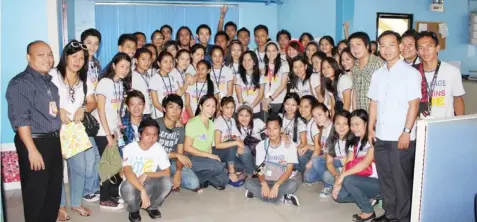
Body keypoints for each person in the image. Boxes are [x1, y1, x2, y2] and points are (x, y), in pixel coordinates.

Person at [367, 31, 422, 222]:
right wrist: (370, 128)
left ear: (400, 47)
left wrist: (406, 132)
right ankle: (390, 215)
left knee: (401, 182)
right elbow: (373, 103)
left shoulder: (411, 73)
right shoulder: (377, 74)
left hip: (401, 137)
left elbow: (414, 104)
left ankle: (404, 218)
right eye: (383, 45)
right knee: (386, 180)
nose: (387, 49)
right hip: (381, 136)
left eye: (391, 45)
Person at [6, 41, 62, 222]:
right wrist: (31, 150)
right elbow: (21, 119)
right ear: (28, 58)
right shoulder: (21, 82)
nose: (47, 58)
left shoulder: (50, 84)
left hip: (52, 142)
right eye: (41, 55)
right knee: (36, 194)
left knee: (52, 193)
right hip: (35, 142)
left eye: (50, 54)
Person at [50, 40, 96, 220]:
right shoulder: (53, 75)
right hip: (53, 128)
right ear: (66, 56)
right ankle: (60, 206)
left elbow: (92, 101)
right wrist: (57, 110)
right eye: (74, 56)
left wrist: (83, 108)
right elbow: (42, 97)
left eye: (82, 58)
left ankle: (76, 202)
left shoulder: (85, 79)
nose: (78, 61)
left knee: (80, 168)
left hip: (75, 131)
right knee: (57, 170)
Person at [94, 52, 132, 210]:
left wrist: (119, 127)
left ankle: (112, 194)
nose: (124, 70)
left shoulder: (119, 84)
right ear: (114, 65)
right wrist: (108, 134)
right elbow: (101, 110)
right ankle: (104, 199)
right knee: (107, 166)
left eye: (128, 67)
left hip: (113, 130)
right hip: (103, 131)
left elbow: (115, 110)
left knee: (115, 164)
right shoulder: (105, 82)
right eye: (122, 66)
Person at [120, 119, 172, 222]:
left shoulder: (158, 148)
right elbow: (128, 173)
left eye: (155, 135)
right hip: (133, 184)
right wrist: (142, 190)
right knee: (127, 186)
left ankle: (152, 206)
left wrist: (147, 174)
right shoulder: (129, 148)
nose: (151, 138)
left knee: (167, 182)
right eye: (147, 134)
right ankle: (134, 209)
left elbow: (167, 172)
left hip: (149, 184)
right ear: (140, 134)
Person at [332, 109, 380, 222]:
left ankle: (368, 211)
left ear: (366, 123)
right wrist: (337, 184)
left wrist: (342, 177)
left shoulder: (372, 140)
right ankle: (368, 198)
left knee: (348, 180)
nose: (354, 128)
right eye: (352, 125)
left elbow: (365, 163)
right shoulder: (354, 142)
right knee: (339, 196)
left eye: (357, 124)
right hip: (360, 180)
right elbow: (348, 162)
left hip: (378, 183)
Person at [244, 114, 300, 206]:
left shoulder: (290, 145)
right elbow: (259, 168)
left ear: (281, 130)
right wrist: (263, 184)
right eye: (269, 129)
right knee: (248, 183)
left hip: (282, 180)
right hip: (266, 178)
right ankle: (282, 197)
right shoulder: (261, 145)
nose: (272, 132)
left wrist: (277, 185)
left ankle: (259, 194)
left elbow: (289, 170)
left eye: (275, 129)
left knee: (293, 184)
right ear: (266, 130)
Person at [156, 94, 201, 192]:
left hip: (171, 162)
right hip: (155, 163)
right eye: (171, 107)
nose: (174, 111)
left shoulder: (180, 129)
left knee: (194, 183)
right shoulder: (155, 125)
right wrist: (176, 155)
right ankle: (167, 181)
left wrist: (178, 171)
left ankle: (171, 180)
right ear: (164, 109)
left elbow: (180, 153)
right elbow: (152, 153)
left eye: (178, 108)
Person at [415, 31, 465, 118]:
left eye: (429, 46)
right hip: (419, 123)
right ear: (417, 52)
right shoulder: (413, 72)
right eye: (421, 48)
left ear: (437, 48)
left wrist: (460, 124)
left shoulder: (452, 71)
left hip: (445, 124)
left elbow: (458, 99)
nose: (425, 51)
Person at [184, 95, 229, 190]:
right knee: (217, 167)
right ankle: (195, 177)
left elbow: (210, 146)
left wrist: (210, 156)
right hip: (192, 157)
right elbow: (187, 148)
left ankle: (202, 179)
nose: (211, 109)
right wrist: (210, 156)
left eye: (213, 106)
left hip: (205, 158)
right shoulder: (193, 123)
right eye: (208, 105)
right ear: (200, 107)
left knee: (224, 181)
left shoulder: (212, 124)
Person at [80, 28, 102, 202]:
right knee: (90, 155)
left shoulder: (96, 63)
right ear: (82, 43)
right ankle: (88, 189)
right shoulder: (78, 63)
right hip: (82, 113)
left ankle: (92, 187)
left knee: (94, 155)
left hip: (94, 113)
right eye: (89, 43)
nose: (92, 46)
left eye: (96, 43)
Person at [214, 97, 255, 185]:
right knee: (231, 142)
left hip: (228, 153)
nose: (230, 110)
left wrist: (240, 144)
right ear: (221, 108)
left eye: (232, 107)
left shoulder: (232, 120)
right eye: (227, 107)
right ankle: (232, 171)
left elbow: (237, 136)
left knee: (242, 164)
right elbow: (217, 145)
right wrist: (236, 143)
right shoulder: (218, 122)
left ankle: (246, 173)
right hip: (217, 153)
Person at [316, 110, 351, 198]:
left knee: (342, 195)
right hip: (339, 167)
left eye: (345, 124)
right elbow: (329, 162)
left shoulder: (354, 140)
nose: (341, 127)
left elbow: (350, 164)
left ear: (350, 125)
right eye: (338, 123)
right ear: (334, 125)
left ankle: (343, 187)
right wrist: (336, 175)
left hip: (350, 171)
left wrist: (341, 177)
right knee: (325, 174)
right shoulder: (331, 140)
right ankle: (329, 186)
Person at [349, 32, 384, 111]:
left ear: (367, 46)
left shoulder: (378, 64)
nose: (355, 49)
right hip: (361, 116)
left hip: (376, 115)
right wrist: (355, 114)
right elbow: (355, 92)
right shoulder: (355, 66)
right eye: (352, 46)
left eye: (358, 45)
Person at [303, 103, 333, 195]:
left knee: (316, 161)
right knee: (308, 177)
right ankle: (325, 176)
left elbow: (332, 153)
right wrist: (308, 147)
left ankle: (328, 185)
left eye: (319, 115)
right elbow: (319, 148)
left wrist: (312, 161)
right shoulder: (320, 130)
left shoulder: (335, 128)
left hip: (334, 160)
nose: (317, 119)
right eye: (315, 117)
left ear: (327, 113)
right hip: (324, 159)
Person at [150, 51, 183, 118]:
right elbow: (155, 103)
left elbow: (179, 95)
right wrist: (167, 113)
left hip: (173, 116)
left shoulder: (173, 78)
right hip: (159, 116)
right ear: (159, 63)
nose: (169, 65)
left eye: (171, 62)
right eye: (165, 62)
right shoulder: (154, 79)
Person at [235, 51, 265, 119]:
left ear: (254, 62)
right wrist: (244, 109)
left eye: (249, 60)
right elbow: (239, 96)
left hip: (255, 110)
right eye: (244, 60)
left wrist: (250, 107)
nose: (246, 63)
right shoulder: (238, 76)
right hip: (242, 111)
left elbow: (260, 95)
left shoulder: (260, 76)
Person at [262, 42, 289, 115]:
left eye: (274, 50)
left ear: (278, 51)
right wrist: (263, 99)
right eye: (268, 51)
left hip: (279, 101)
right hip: (264, 101)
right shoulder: (262, 65)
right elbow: (260, 85)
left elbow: (283, 86)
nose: (271, 53)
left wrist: (270, 99)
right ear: (265, 52)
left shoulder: (284, 64)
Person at [296, 95, 320, 176]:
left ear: (313, 108)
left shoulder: (315, 123)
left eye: (306, 107)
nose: (302, 110)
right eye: (301, 106)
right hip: (310, 149)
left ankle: (308, 172)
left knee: (301, 155)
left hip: (317, 153)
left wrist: (307, 146)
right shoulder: (303, 120)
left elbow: (319, 148)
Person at [131, 48, 153, 117]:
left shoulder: (149, 75)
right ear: (136, 60)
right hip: (138, 113)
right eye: (143, 59)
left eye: (149, 60)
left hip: (150, 111)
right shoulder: (132, 76)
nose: (147, 62)